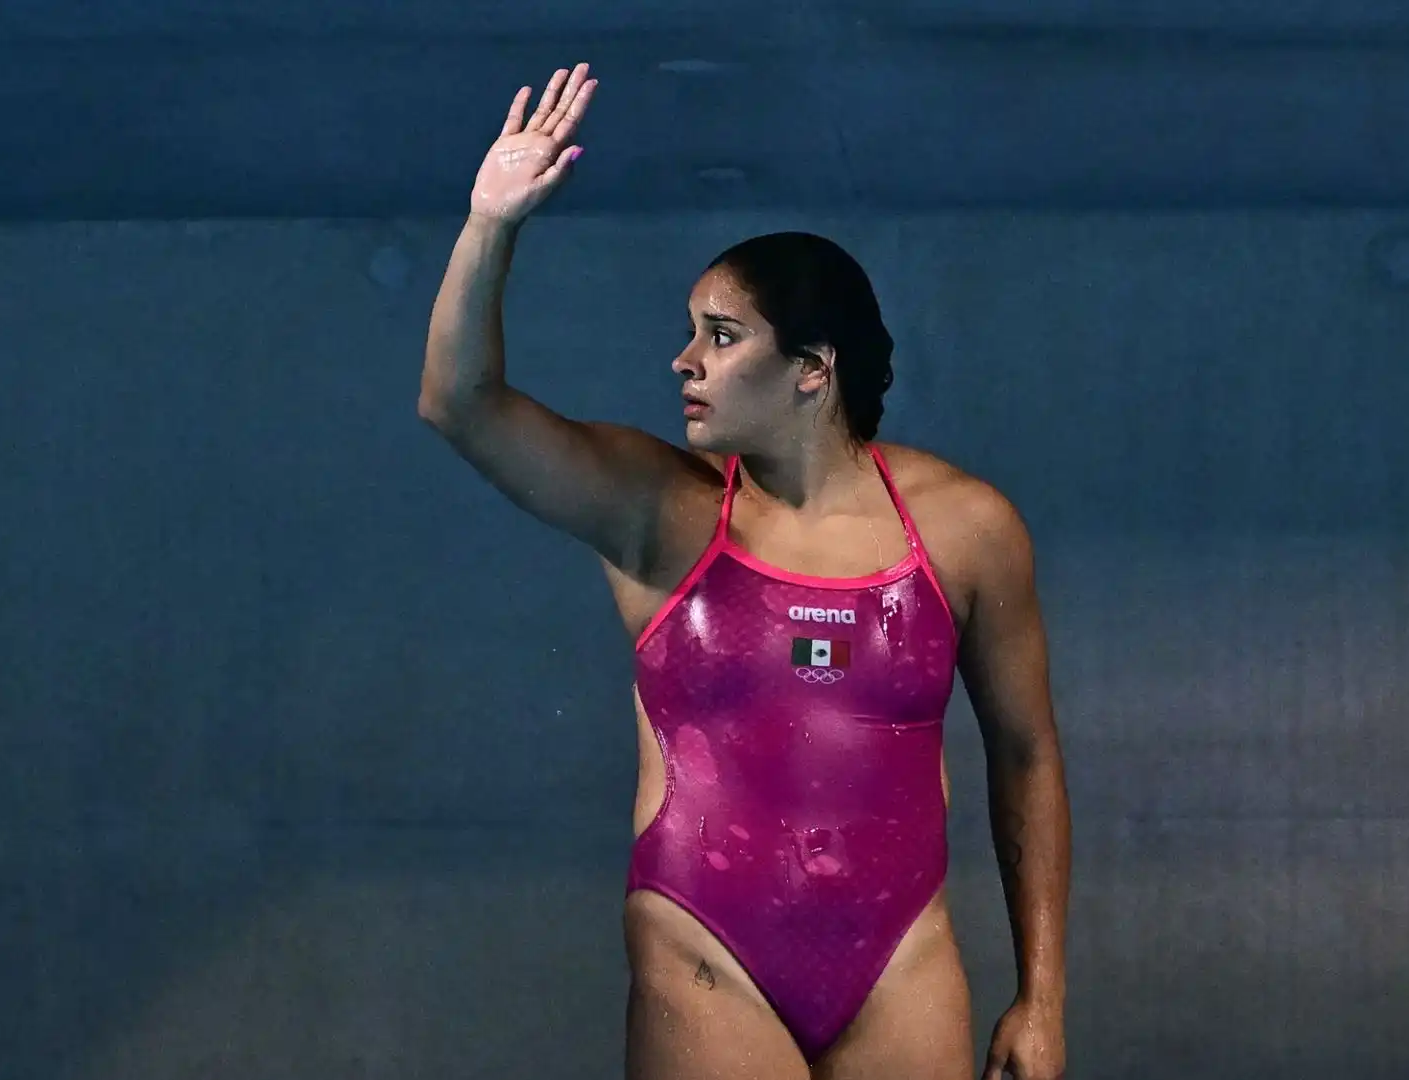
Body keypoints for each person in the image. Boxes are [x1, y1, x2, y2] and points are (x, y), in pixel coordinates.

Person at [418, 63, 1070, 1080]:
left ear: (812, 368)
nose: (684, 361)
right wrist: (488, 226)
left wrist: (1042, 995)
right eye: (691, 335)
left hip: (901, 958)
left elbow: (1027, 757)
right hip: (706, 947)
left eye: (720, 338)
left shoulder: (965, 529)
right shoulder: (663, 513)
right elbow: (460, 405)